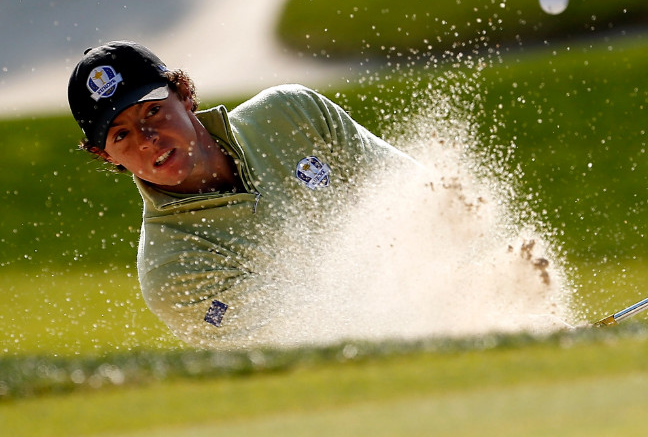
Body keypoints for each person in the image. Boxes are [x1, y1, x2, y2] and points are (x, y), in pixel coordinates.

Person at [68, 41, 412, 348]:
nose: (146, 138)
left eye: (153, 111)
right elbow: (310, 335)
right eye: (121, 135)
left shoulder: (290, 112)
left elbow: (419, 194)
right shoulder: (171, 270)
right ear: (107, 156)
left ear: (184, 94)